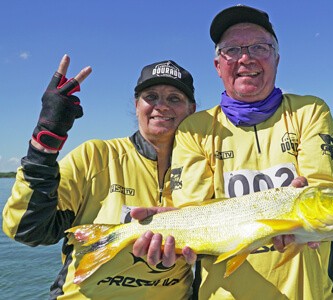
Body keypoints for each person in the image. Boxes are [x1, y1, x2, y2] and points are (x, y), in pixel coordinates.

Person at [133, 4, 333, 300]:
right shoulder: (194, 127)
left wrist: (305, 206)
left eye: (260, 46)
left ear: (277, 59)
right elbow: (192, 212)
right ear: (218, 66)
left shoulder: (310, 111)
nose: (246, 57)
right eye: (232, 50)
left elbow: (323, 187)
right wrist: (169, 239)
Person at [2, 55, 197, 299]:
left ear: (192, 110)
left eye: (175, 98)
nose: (162, 105)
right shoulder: (95, 156)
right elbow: (27, 229)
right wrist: (47, 137)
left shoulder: (202, 168)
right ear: (137, 105)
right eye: (151, 97)